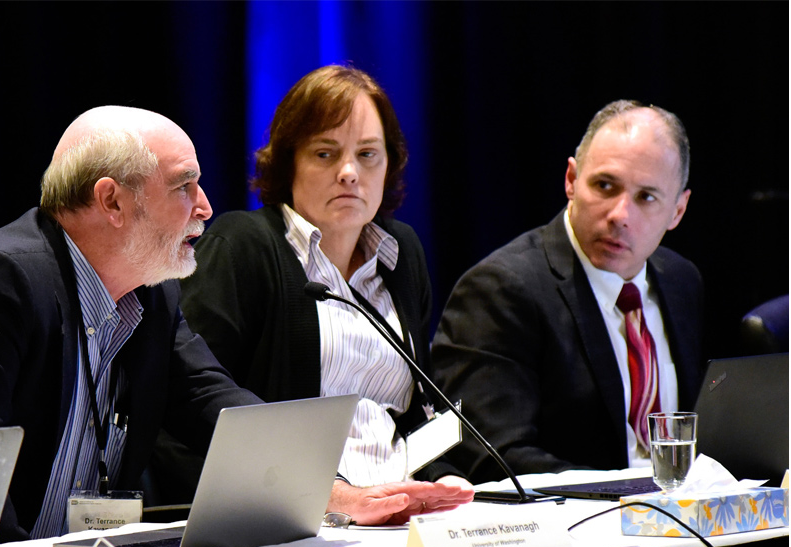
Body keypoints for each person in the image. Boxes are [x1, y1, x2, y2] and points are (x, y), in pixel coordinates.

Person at [0, 106, 267, 542]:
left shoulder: (151, 293)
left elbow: (210, 399)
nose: (206, 206)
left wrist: (324, 483)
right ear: (112, 201)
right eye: (184, 186)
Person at [173, 64, 475, 523]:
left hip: (400, 511)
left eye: (368, 154)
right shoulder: (243, 246)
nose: (350, 173)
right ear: (288, 161)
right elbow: (190, 407)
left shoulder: (402, 254)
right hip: (295, 520)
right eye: (325, 153)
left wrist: (441, 476)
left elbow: (412, 408)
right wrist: (327, 495)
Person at [431, 100, 703, 483]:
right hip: (578, 530)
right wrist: (632, 494)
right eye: (605, 186)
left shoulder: (681, 280)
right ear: (571, 180)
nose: (620, 215)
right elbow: (494, 457)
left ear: (678, 210)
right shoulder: (501, 290)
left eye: (646, 197)